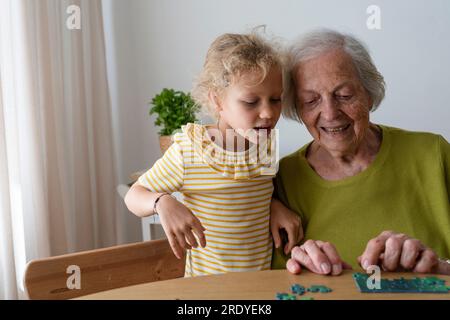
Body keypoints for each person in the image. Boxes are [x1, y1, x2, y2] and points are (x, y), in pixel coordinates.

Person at [271, 29, 450, 276]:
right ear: (297, 108)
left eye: (344, 95)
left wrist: (440, 268)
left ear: (368, 92)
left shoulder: (434, 155)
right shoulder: (284, 179)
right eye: (311, 100)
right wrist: (301, 271)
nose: (330, 113)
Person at [125, 31, 302, 277]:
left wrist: (273, 205)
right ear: (217, 101)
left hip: (259, 286)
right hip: (206, 290)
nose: (268, 113)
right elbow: (133, 196)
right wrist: (161, 202)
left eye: (275, 99)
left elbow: (251, 194)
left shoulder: (265, 143)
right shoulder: (190, 150)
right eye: (251, 102)